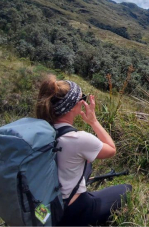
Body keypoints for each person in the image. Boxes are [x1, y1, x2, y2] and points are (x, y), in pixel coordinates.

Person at [35, 74, 131, 226]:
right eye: (82, 98)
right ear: (73, 106)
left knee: (88, 164)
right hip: (71, 211)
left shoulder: (40, 132)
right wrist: (93, 121)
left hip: (43, 208)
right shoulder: (79, 139)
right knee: (126, 189)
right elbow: (111, 149)